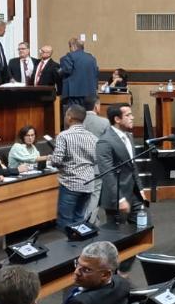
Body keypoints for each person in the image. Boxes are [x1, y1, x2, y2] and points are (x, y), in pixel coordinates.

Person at [32, 241, 129, 304]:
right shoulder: (122, 282)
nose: (76, 272)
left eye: (86, 269)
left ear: (105, 275)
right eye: (78, 264)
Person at [96, 103, 148, 224]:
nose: (132, 118)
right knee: (119, 233)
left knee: (144, 227)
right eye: (128, 115)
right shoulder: (105, 141)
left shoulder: (129, 136)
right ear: (117, 119)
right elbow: (107, 174)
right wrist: (120, 199)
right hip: (117, 198)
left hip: (134, 194)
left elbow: (132, 166)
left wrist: (140, 190)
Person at [50, 105, 99, 229]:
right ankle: (79, 240)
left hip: (70, 184)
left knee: (65, 221)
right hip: (88, 184)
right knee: (79, 219)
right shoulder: (93, 137)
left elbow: (56, 160)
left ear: (69, 117)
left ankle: (68, 242)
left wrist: (54, 161)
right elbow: (96, 159)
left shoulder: (64, 136)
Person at [82, 95, 109, 225]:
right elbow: (107, 144)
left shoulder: (77, 122)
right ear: (96, 106)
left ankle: (92, 220)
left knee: (83, 195)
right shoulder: (104, 122)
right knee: (94, 194)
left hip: (79, 165)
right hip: (97, 165)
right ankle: (88, 222)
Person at [59, 37, 99, 109]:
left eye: (70, 46)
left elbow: (67, 70)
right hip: (90, 92)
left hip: (74, 93)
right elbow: (96, 74)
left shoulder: (69, 56)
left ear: (73, 46)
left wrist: (59, 71)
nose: (69, 49)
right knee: (87, 113)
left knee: (74, 114)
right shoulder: (92, 58)